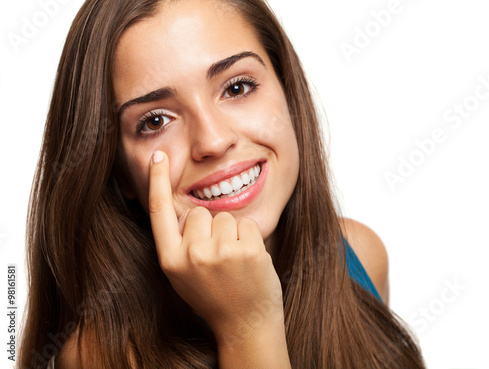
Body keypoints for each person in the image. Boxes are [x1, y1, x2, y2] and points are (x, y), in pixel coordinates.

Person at [19, 0, 426, 368]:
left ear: (288, 91)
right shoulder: (100, 356)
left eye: (237, 87)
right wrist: (247, 325)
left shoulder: (360, 255)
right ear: (118, 172)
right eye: (155, 121)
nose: (213, 140)